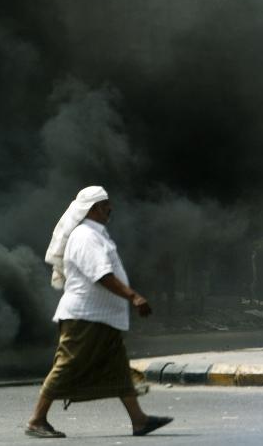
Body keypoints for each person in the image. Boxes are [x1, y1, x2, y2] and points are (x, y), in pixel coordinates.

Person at [26, 186, 173, 438]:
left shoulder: (97, 234)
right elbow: (101, 275)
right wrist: (133, 296)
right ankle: (37, 420)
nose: (109, 208)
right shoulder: (85, 236)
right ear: (92, 209)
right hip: (85, 317)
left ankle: (139, 420)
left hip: (102, 318)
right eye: (105, 205)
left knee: (117, 368)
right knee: (67, 365)